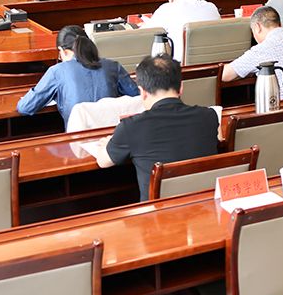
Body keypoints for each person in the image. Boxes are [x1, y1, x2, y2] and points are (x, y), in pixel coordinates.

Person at [93, 56, 219, 201]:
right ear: (181, 88)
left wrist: (108, 144)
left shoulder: (131, 127)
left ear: (142, 92)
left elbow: (103, 162)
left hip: (157, 212)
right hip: (203, 205)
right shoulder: (209, 116)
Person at [17, 25, 139, 124]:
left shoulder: (57, 71)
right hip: (112, 136)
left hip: (77, 141)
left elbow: (25, 107)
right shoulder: (113, 66)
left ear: (62, 51)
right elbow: (138, 96)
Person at [145, 0, 221, 63]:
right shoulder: (211, 6)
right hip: (216, 64)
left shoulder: (166, 9)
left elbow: (145, 33)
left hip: (182, 67)